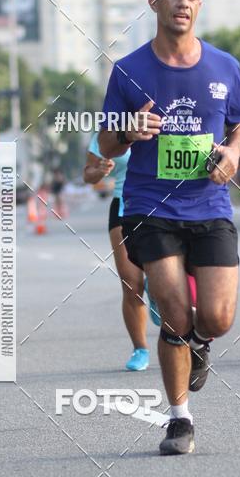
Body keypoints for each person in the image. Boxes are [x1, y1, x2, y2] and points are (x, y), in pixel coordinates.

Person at [99, 0, 240, 456]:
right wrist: (128, 132)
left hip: (209, 203)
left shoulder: (225, 66)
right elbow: (105, 142)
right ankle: (179, 419)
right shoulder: (129, 70)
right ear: (154, 2)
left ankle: (200, 346)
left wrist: (231, 152)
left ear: (199, 4)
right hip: (150, 205)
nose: (181, 3)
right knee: (173, 310)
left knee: (219, 318)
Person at [83, 139, 151, 371]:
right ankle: (140, 348)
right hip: (124, 204)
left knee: (167, 281)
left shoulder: (169, 117)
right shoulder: (110, 125)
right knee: (132, 283)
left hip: (164, 203)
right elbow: (88, 174)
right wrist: (99, 171)